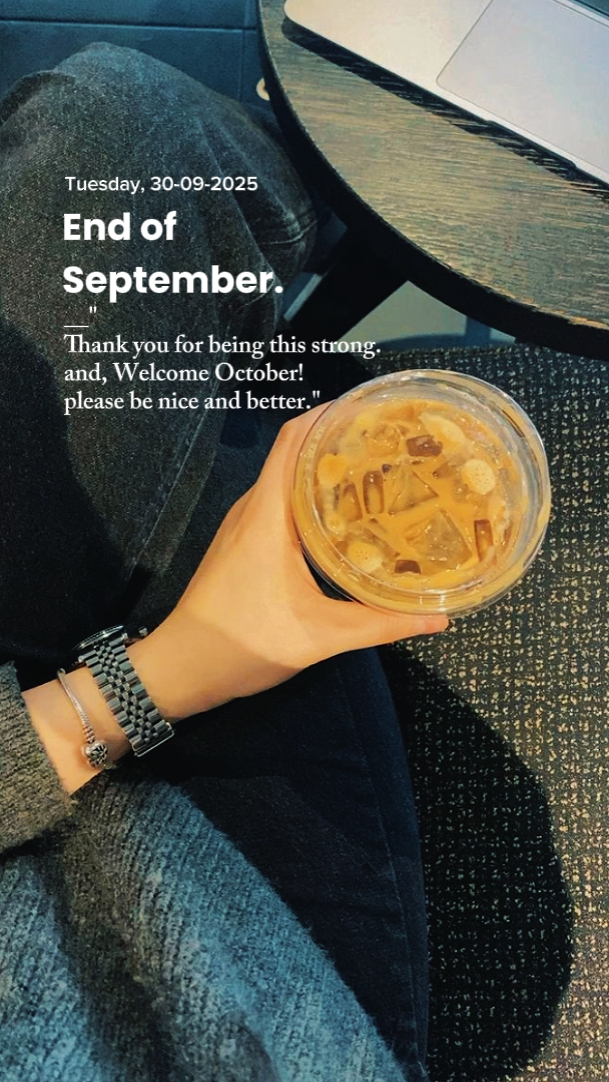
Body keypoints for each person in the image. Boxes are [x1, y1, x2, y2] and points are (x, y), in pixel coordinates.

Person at [0, 43, 446, 1081]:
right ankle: (325, 211)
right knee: (268, 436)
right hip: (228, 960)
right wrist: (158, 677)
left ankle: (325, 181)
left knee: (107, 122)